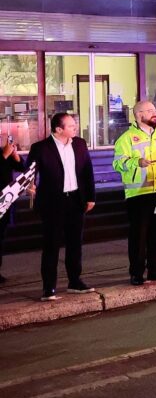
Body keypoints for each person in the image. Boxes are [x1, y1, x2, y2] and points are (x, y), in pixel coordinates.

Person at [28, 113, 96, 300]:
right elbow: (30, 172)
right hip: (52, 202)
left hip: (76, 200)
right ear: (59, 129)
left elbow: (87, 172)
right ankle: (49, 287)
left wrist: (91, 197)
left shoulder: (80, 144)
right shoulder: (41, 148)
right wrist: (30, 185)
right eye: (71, 126)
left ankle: (75, 281)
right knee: (51, 245)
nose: (75, 128)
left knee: (75, 244)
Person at [113, 101, 156, 286]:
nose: (155, 113)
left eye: (155, 110)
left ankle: (155, 270)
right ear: (139, 115)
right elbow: (117, 163)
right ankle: (136, 272)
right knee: (139, 236)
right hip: (138, 193)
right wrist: (136, 162)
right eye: (150, 111)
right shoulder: (127, 138)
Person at [0, 135, 27, 284]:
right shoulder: (3, 153)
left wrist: (15, 155)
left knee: (1, 236)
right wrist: (4, 155)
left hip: (4, 200)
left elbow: (22, 168)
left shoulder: (3, 151)